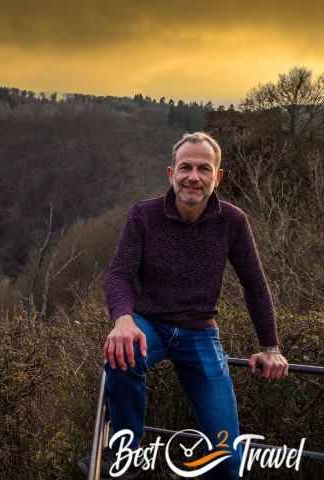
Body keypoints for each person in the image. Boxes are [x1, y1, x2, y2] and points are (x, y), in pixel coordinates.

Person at [101, 131, 289, 479]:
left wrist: (270, 347)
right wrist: (123, 319)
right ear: (171, 173)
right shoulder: (143, 216)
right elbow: (119, 275)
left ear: (217, 177)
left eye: (204, 169)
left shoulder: (233, 221)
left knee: (228, 458)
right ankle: (125, 457)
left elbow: (255, 286)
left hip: (199, 333)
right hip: (149, 325)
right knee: (122, 353)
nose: (194, 177)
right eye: (185, 167)